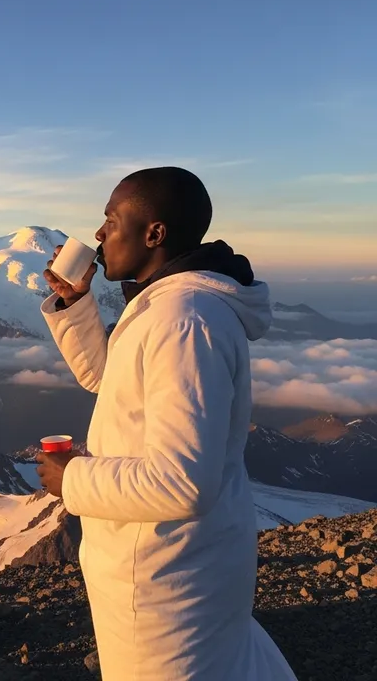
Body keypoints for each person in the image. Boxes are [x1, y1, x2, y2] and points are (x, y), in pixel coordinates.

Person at [36, 167, 297, 681]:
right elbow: (113, 382)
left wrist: (73, 480)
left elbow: (182, 483)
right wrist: (74, 303)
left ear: (154, 233)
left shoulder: (184, 320)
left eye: (111, 220)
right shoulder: (171, 305)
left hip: (164, 585)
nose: (99, 234)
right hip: (184, 565)